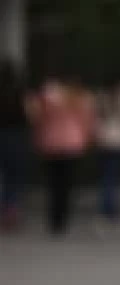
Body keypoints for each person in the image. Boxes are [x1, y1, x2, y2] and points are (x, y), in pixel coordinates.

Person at [27, 72, 94, 236]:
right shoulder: (79, 97)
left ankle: (54, 219)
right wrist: (88, 139)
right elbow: (87, 121)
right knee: (67, 185)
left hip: (50, 144)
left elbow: (36, 117)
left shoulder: (47, 96)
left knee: (53, 185)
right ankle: (62, 219)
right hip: (72, 144)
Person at [94, 76, 120, 223]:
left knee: (106, 175)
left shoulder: (101, 97)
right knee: (113, 175)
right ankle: (111, 206)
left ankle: (107, 205)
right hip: (118, 139)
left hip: (104, 139)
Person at [0, 58, 28, 231]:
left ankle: (6, 208)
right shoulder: (18, 92)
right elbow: (27, 114)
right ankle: (9, 210)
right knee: (14, 175)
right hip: (15, 135)